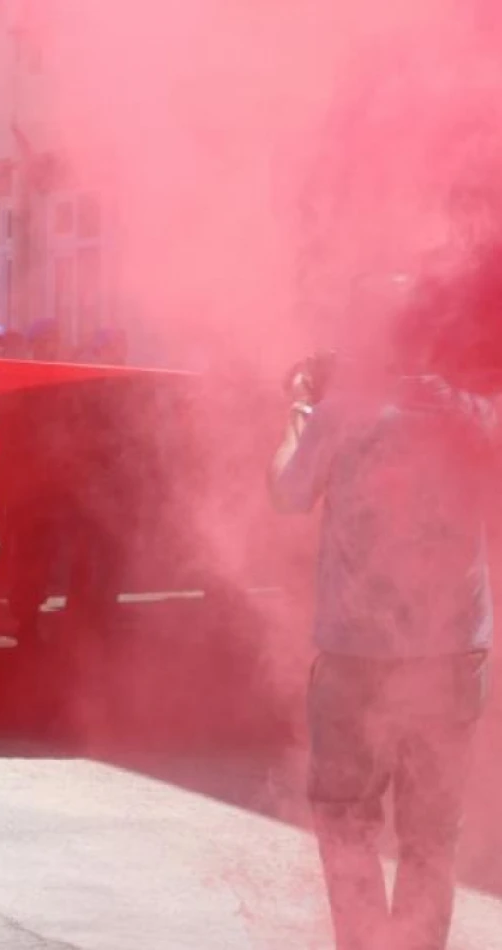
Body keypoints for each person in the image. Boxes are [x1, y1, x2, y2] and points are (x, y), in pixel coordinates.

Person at [268, 279, 495, 950]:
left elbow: (286, 493)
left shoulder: (344, 412)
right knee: (430, 839)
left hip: (356, 658)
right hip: (453, 656)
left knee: (346, 820)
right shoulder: (480, 415)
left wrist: (300, 412)